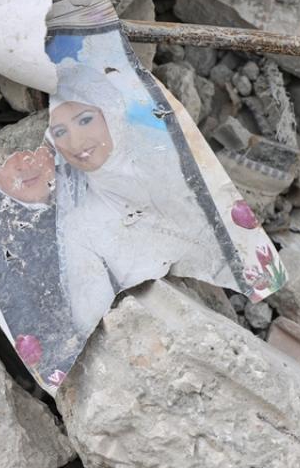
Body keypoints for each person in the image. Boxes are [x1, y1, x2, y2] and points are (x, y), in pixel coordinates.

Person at [47, 58, 227, 335]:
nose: (75, 142)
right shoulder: (79, 225)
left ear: (109, 113)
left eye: (85, 120)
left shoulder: (167, 165)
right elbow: (89, 320)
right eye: (60, 132)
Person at [0, 146, 84, 388]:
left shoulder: (89, 193)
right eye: (7, 160)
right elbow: (21, 309)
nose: (23, 165)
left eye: (32, 152)